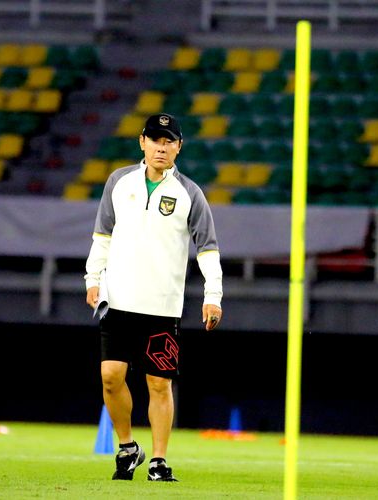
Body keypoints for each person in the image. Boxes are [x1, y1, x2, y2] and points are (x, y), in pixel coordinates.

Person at [84, 112, 223, 482]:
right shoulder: (119, 181)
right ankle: (129, 448)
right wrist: (92, 278)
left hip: (161, 305)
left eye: (169, 141)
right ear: (142, 141)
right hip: (119, 299)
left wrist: (213, 295)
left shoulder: (189, 193)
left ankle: (159, 461)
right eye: (155, 140)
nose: (162, 147)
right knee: (110, 376)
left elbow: (207, 248)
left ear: (179, 147)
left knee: (158, 384)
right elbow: (103, 235)